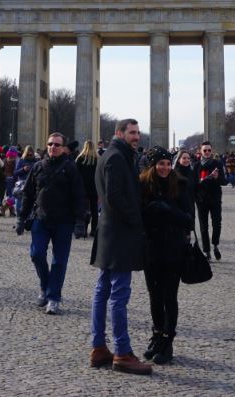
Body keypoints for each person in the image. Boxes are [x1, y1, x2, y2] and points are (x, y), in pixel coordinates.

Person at [89, 118, 152, 375]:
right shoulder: (117, 158)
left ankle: (98, 348)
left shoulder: (113, 155)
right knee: (119, 294)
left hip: (109, 234)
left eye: (138, 133)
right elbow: (114, 197)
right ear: (119, 133)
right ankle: (122, 353)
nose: (136, 137)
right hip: (120, 235)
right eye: (132, 133)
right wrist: (137, 220)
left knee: (102, 290)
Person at [17, 132, 87, 315]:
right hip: (41, 218)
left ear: (64, 147)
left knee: (59, 261)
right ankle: (45, 286)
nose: (52, 147)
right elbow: (27, 194)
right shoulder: (38, 166)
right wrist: (20, 217)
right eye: (50, 144)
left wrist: (80, 221)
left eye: (56, 144)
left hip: (64, 221)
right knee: (36, 254)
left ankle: (53, 297)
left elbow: (79, 196)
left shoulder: (71, 168)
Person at [139, 146, 193, 365]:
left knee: (169, 296)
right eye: (161, 164)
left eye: (168, 164)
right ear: (153, 166)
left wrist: (168, 210)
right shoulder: (142, 185)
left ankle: (167, 342)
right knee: (154, 296)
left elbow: (189, 219)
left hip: (173, 248)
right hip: (151, 249)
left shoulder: (181, 184)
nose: (165, 167)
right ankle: (157, 335)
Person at [193, 141, 224, 261]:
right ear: (200, 151)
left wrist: (217, 178)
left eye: (209, 150)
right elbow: (193, 183)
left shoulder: (217, 164)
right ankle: (207, 251)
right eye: (204, 150)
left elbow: (224, 181)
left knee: (217, 223)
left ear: (212, 151)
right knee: (203, 226)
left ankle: (215, 245)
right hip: (201, 200)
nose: (207, 152)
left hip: (215, 198)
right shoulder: (196, 166)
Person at [76, 141, 100, 239]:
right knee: (94, 211)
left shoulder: (80, 159)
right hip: (94, 188)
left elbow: (76, 175)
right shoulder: (97, 159)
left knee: (83, 209)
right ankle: (93, 230)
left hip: (82, 188)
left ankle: (83, 229)